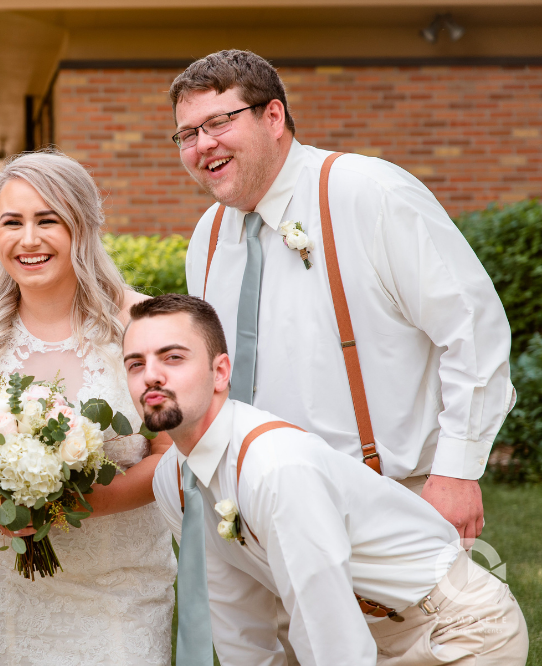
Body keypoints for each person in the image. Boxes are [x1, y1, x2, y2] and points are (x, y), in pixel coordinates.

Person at [175, 50, 514, 537]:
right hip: (255, 511)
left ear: (273, 116)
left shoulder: (368, 193)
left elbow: (472, 329)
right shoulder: (207, 239)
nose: (202, 144)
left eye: (218, 122)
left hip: (388, 501)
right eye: (187, 134)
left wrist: (457, 470)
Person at [125, 293, 528, 666]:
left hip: (458, 631)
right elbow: (234, 611)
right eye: (136, 364)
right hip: (369, 631)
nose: (151, 376)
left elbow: (328, 629)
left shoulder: (277, 468)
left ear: (220, 372)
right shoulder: (172, 481)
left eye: (172, 357)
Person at [0, 150, 176, 665]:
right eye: (12, 222)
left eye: (48, 220)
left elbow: (172, 456)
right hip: (6, 596)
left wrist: (64, 504)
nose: (28, 239)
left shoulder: (141, 326)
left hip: (118, 588)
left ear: (83, 225)